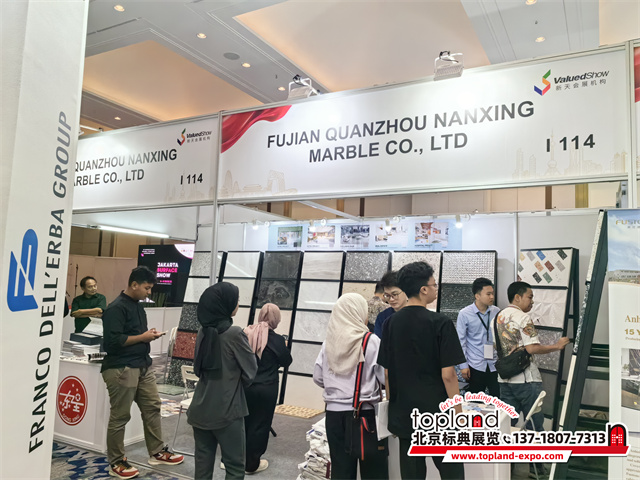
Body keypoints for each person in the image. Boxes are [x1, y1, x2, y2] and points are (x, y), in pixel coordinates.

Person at [378, 261, 466, 480]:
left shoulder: (390, 323)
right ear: (424, 289)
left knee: (412, 474)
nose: (436, 289)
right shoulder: (441, 322)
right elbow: (448, 375)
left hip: (405, 413)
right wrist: (458, 413)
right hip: (438, 415)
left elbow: (387, 373)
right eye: (434, 285)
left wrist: (392, 409)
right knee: (452, 473)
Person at [101, 266, 183, 479]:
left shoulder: (137, 307)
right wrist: (143, 337)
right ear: (134, 284)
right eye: (147, 288)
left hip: (142, 366)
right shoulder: (116, 308)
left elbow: (134, 335)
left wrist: (148, 335)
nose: (149, 292)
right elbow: (112, 342)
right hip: (121, 367)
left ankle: (157, 451)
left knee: (152, 407)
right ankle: (116, 461)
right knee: (120, 416)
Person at [493, 281, 569, 478]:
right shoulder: (523, 317)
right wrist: (557, 346)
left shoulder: (497, 317)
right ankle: (538, 470)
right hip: (526, 380)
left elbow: (497, 346)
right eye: (530, 297)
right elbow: (532, 348)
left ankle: (505, 469)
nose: (532, 301)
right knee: (535, 426)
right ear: (517, 297)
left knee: (506, 426)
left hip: (505, 380)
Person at [187, 282, 258, 480]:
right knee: (235, 467)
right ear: (225, 304)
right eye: (236, 300)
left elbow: (197, 369)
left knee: (202, 467)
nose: (238, 303)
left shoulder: (203, 331)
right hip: (227, 410)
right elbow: (251, 372)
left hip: (200, 408)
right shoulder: (234, 333)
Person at [313, 293, 388, 480]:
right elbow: (384, 377)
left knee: (341, 470)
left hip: (333, 415)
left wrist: (336, 386)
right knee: (374, 471)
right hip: (365, 415)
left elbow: (318, 377)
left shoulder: (328, 343)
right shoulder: (371, 341)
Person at [242, 303, 293, 474]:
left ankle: (232, 459)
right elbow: (287, 361)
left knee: (241, 422)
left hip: (245, 386)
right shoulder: (277, 340)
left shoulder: (245, 333)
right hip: (267, 388)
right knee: (260, 425)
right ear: (276, 319)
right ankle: (251, 464)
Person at [456, 277, 500, 397]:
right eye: (488, 294)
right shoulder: (464, 314)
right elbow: (461, 342)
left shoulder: (496, 311)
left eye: (492, 293)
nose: (492, 297)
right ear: (477, 296)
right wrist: (463, 366)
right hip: (475, 365)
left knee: (497, 400)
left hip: (494, 364)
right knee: (475, 401)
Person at [372, 271, 408, 338]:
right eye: (387, 295)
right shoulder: (383, 317)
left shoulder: (418, 315)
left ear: (406, 291)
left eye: (395, 294)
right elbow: (379, 341)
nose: (391, 299)